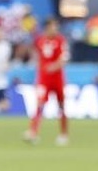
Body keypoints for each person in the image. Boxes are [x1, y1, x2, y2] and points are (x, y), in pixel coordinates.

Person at [24, 17, 70, 145]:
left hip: (58, 79)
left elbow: (64, 58)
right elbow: (34, 52)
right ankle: (33, 132)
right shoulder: (40, 40)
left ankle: (64, 134)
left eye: (56, 26)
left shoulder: (61, 40)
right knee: (39, 105)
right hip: (44, 79)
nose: (55, 29)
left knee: (61, 106)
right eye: (53, 26)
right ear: (47, 28)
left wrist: (54, 66)